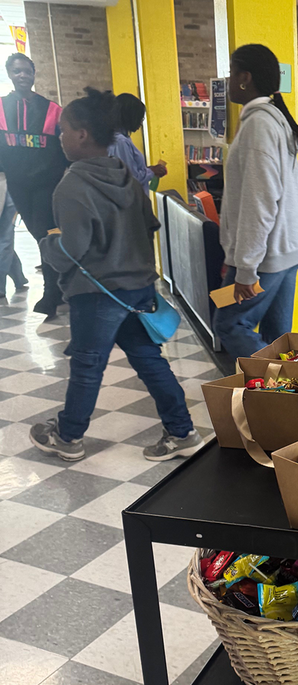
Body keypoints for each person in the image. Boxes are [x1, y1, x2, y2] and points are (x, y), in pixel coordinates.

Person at [29, 88, 203, 463]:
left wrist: (47, 245)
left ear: (82, 134)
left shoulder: (72, 184)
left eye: (63, 129)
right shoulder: (124, 174)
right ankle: (182, 431)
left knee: (88, 365)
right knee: (149, 358)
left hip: (98, 293)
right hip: (137, 288)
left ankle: (68, 436)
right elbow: (149, 224)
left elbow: (71, 252)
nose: (59, 137)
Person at [213, 44, 298, 360]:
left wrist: (246, 267)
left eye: (231, 74)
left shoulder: (259, 123)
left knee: (230, 325)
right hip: (286, 247)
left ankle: (287, 388)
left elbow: (260, 200)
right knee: (276, 339)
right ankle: (286, 402)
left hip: (267, 253)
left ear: (244, 77)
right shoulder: (274, 119)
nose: (227, 82)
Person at [0, 53, 69, 317]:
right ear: (9, 74)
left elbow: (64, 148)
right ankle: (57, 286)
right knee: (36, 233)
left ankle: (53, 291)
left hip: (47, 183)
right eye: (17, 71)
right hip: (17, 184)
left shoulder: (52, 110)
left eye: (26, 71)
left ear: (33, 73)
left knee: (44, 233)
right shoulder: (1, 108)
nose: (22, 76)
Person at [108, 93, 168, 194]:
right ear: (129, 117)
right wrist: (152, 172)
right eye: (139, 118)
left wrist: (149, 170)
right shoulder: (120, 142)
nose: (140, 123)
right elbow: (129, 178)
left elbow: (131, 170)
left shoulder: (123, 138)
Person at [0, 176, 27, 298]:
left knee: (4, 238)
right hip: (8, 182)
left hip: (5, 183)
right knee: (5, 238)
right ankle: (18, 278)